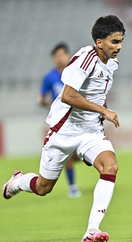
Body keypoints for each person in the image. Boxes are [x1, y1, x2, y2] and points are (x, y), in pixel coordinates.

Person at [2, 15, 125, 242]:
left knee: (110, 167)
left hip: (90, 131)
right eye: (114, 42)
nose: (119, 46)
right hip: (64, 131)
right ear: (99, 42)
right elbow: (68, 95)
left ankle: (92, 229)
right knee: (43, 188)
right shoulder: (84, 58)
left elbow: (99, 91)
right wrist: (103, 110)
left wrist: (103, 111)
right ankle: (19, 181)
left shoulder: (112, 63)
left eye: (120, 41)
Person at [39, 43, 82, 198]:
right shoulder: (49, 77)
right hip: (61, 122)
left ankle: (77, 157)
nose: (60, 58)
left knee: (81, 153)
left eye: (63, 54)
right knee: (68, 154)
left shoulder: (76, 73)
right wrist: (52, 105)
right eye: (57, 55)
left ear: (68, 56)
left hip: (79, 118)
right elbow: (41, 98)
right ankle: (72, 187)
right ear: (53, 59)